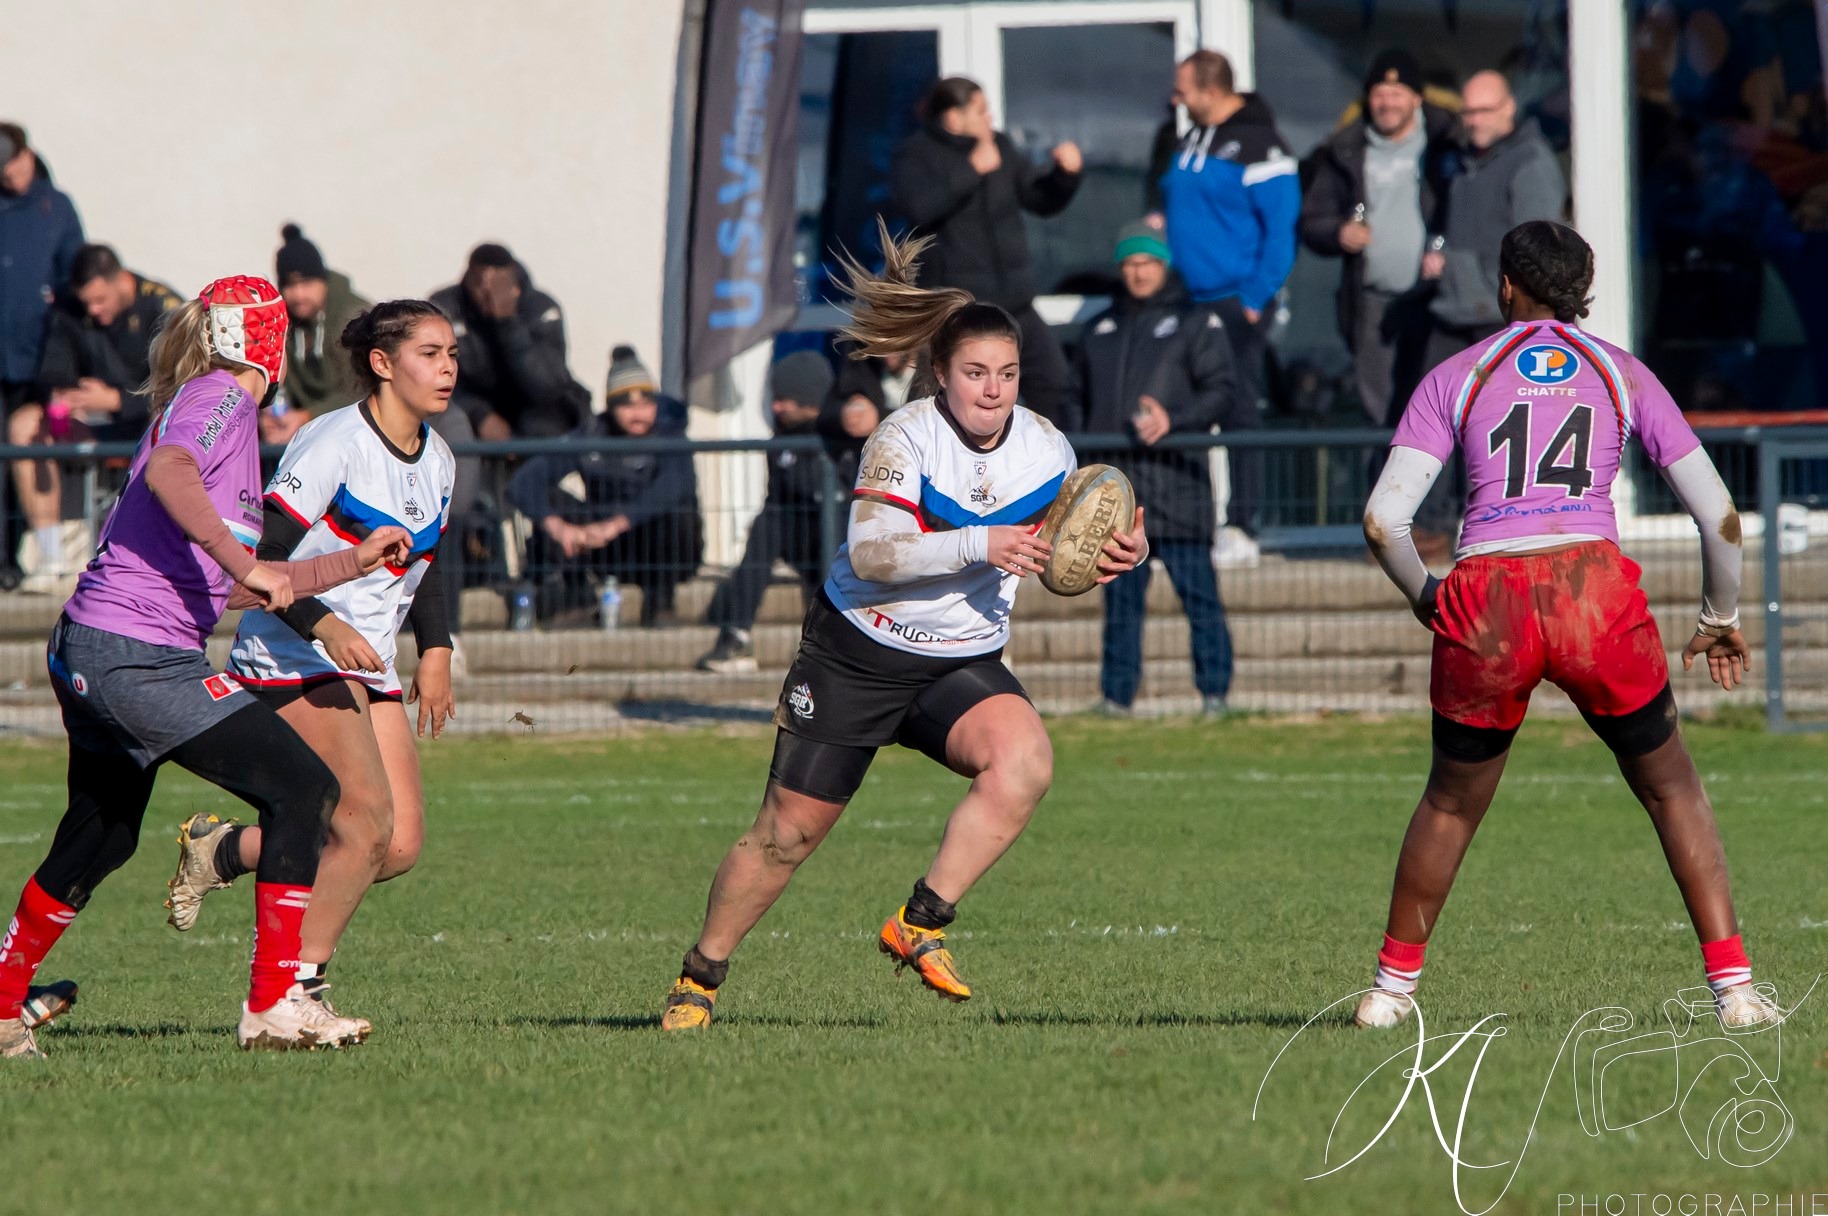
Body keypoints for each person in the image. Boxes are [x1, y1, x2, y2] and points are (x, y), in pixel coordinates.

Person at [658, 226, 1148, 1030]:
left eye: (1008, 373)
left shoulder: (1046, 450)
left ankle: (918, 922)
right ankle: (699, 978)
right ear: (939, 374)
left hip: (959, 661)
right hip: (858, 651)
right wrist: (979, 543)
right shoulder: (904, 437)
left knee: (1023, 761)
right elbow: (873, 551)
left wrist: (1117, 551)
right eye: (976, 373)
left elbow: (1071, 547)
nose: (994, 390)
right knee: (786, 835)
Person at [1356, 221, 1781, 1033]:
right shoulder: (1620, 374)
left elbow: (1383, 521)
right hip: (1592, 592)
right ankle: (1735, 993)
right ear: (1584, 288)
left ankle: (1388, 994)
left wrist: (1428, 599)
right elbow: (1720, 515)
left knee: (1450, 804)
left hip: (1488, 598)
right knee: (1672, 787)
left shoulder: (1461, 374)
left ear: (1507, 287)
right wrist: (1719, 616)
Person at [0, 276, 411, 1058]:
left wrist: (351, 562)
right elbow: (172, 476)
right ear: (263, 340)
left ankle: (1, 1000)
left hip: (100, 645)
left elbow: (249, 579)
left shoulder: (226, 423)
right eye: (282, 335)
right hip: (135, 656)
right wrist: (241, 561)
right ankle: (273, 1004)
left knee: (101, 839)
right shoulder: (223, 393)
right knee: (301, 788)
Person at [167, 301, 458, 1031]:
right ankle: (292, 991)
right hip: (295, 647)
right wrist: (323, 624)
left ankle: (226, 849)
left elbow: (430, 560)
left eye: (452, 352)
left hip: (368, 660)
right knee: (363, 825)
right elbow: (258, 565)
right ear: (383, 364)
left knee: (396, 846)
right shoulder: (332, 442)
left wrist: (438, 653)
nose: (448, 366)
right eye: (429, 353)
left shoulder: (442, 457)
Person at [1073, 220, 1235, 716]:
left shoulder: (1196, 322)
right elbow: (1074, 404)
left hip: (1178, 485)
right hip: (1117, 498)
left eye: (1146, 262)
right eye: (1129, 263)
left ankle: (1215, 697)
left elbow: (1222, 391)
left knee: (1200, 600)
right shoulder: (1096, 331)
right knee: (1120, 607)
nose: (1138, 272)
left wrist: (1174, 420)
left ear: (1163, 265)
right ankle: (1116, 698)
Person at [1157, 51, 1300, 570]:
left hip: (1236, 299)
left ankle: (1243, 523)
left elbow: (1282, 230)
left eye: (1183, 89)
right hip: (1187, 298)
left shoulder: (1262, 144)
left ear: (1211, 89)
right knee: (1185, 406)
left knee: (1237, 407)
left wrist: (1256, 298)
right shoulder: (1191, 135)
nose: (1176, 98)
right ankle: (1186, 519)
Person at [889, 77, 1082, 426]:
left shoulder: (1000, 147)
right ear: (953, 118)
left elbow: (1040, 198)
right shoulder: (916, 154)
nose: (989, 118)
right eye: (980, 111)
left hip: (1016, 305)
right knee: (942, 404)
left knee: (1056, 391)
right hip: (957, 311)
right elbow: (918, 207)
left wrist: (1064, 176)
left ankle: (1064, 474)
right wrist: (972, 169)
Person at [1298, 50, 1459, 429]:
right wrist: (1338, 231)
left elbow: (1474, 209)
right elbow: (1311, 219)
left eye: (1397, 92)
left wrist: (1451, 252)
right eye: (1379, 94)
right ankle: (1390, 488)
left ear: (1417, 97)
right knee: (1384, 416)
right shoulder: (1345, 148)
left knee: (1439, 410)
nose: (1387, 103)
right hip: (1372, 302)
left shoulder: (1447, 141)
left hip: (1437, 300)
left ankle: (1445, 491)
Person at [696, 350, 882, 674]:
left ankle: (838, 647)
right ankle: (735, 636)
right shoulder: (782, 438)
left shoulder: (844, 434)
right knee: (766, 525)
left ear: (809, 400)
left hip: (839, 539)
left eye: (785, 400)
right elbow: (777, 498)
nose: (776, 407)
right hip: (795, 532)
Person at [12, 244, 181, 590]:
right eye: (87, 302)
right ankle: (51, 556)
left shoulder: (163, 308)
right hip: (92, 426)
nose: (94, 309)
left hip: (151, 426)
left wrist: (118, 400)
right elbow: (51, 369)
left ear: (121, 280)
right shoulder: (71, 309)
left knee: (167, 412)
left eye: (100, 300)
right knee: (24, 424)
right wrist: (61, 395)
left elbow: (183, 387)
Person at [507, 346, 700, 627]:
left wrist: (616, 524)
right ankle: (576, 598)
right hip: (601, 548)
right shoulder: (591, 434)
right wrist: (559, 527)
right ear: (610, 406)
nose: (638, 413)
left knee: (676, 509)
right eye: (627, 405)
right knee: (554, 500)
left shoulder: (671, 436)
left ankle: (661, 603)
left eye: (646, 403)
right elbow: (524, 482)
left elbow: (673, 486)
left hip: (659, 552)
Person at [1428, 71, 1567, 365]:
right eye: (1468, 112)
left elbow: (1537, 250)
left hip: (1502, 320)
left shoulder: (1530, 162)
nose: (1474, 120)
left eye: (1484, 111)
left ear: (1509, 107)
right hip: (1456, 310)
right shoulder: (1464, 161)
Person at [431, 243, 588, 440]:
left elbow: (548, 388)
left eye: (497, 283)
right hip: (471, 407)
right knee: (452, 426)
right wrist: (478, 414)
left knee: (546, 427)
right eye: (479, 283)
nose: (487, 292)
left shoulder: (541, 307)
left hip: (535, 411)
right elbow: (432, 377)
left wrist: (508, 322)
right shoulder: (446, 307)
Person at [0, 124, 83, 429]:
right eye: (5, 175)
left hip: (41, 353)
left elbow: (75, 275)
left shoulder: (57, 207)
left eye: (17, 169)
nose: (14, 179)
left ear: (29, 155)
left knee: (32, 439)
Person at [263, 223, 371, 443]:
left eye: (307, 283)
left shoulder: (355, 319)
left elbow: (365, 388)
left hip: (356, 433)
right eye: (290, 285)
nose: (299, 294)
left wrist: (307, 416)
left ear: (324, 281)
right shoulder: (280, 320)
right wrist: (266, 416)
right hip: (297, 435)